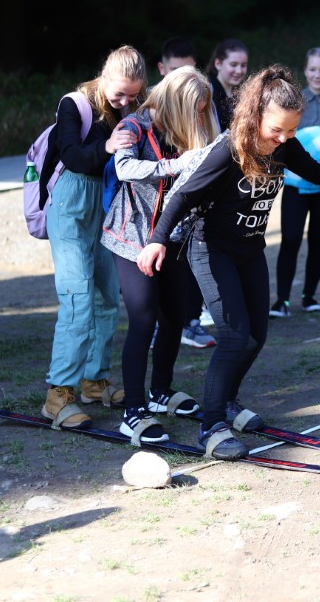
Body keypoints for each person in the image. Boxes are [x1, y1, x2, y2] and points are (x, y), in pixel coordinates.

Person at [135, 65, 320, 461]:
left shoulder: (284, 145)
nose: (283, 138)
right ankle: (212, 426)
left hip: (249, 251)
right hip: (211, 248)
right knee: (233, 335)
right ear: (255, 115)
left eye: (291, 130)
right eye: (277, 129)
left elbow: (317, 171)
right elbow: (183, 196)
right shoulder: (229, 148)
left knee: (256, 336)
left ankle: (227, 402)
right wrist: (156, 241)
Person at [101, 66, 221, 443]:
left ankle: (161, 392)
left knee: (174, 316)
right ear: (177, 102)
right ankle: (133, 410)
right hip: (132, 237)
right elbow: (124, 168)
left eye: (203, 111)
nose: (199, 118)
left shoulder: (187, 128)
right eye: (195, 110)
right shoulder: (134, 126)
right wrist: (176, 164)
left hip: (173, 236)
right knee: (143, 318)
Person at [41, 45, 146, 430]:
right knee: (77, 298)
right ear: (104, 75)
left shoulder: (133, 105)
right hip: (70, 202)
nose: (125, 102)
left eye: (133, 96)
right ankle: (58, 394)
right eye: (119, 94)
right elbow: (72, 155)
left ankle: (94, 381)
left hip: (105, 203)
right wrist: (108, 145)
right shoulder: (75, 104)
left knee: (107, 296)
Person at [271, 47, 320, 318]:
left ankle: (309, 296)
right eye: (313, 69)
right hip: (295, 182)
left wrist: (305, 141)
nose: (318, 75)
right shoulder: (294, 101)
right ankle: (281, 301)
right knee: (290, 239)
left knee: (318, 239)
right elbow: (284, 138)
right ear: (305, 70)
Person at [153, 37, 216, 349]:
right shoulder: (148, 120)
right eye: (178, 72)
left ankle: (189, 322)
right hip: (155, 217)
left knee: (189, 273)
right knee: (159, 282)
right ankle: (162, 325)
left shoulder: (201, 110)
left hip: (189, 218)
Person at [205, 38, 248, 132]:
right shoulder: (207, 92)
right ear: (218, 64)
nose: (239, 71)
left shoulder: (243, 94)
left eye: (243, 65)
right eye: (233, 65)